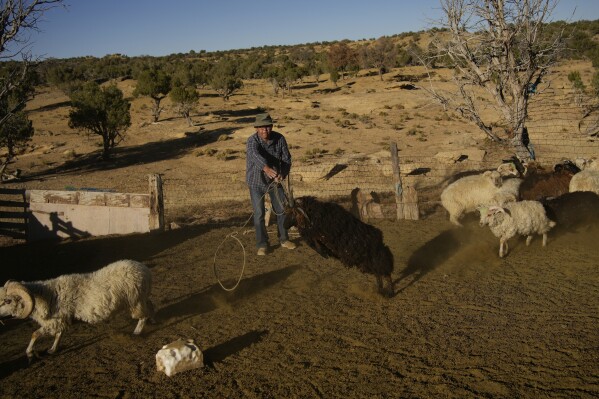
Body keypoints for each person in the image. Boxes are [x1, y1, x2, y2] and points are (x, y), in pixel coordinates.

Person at [246, 113, 296, 255]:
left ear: (271, 126)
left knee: (281, 210)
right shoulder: (251, 141)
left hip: (275, 181)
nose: (264, 130)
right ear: (256, 128)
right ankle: (262, 244)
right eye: (261, 127)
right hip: (256, 182)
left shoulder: (280, 139)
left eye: (267, 127)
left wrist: (283, 173)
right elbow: (254, 155)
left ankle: (284, 238)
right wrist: (266, 168)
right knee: (259, 213)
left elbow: (287, 159)